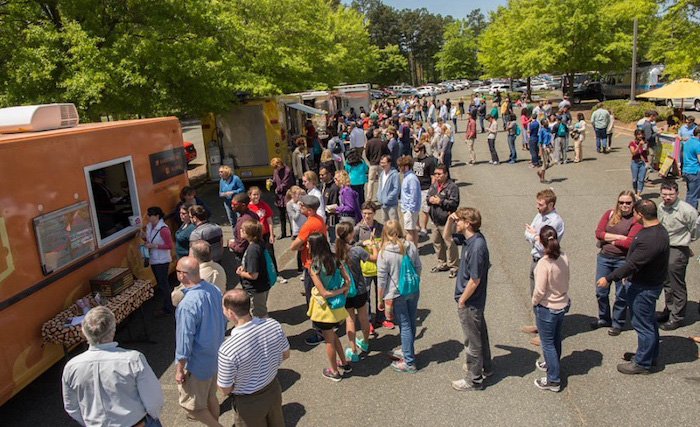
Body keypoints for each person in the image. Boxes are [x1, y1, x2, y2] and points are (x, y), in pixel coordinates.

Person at [597, 200, 669, 374]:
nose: (634, 217)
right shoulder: (657, 231)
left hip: (644, 287)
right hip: (643, 283)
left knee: (643, 324)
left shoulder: (651, 239)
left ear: (640, 215)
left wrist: (609, 277)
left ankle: (642, 363)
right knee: (648, 322)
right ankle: (648, 355)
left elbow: (633, 264)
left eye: (635, 213)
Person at [62, 307, 163, 427]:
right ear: (113, 330)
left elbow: (72, 407)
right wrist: (149, 419)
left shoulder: (71, 367)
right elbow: (153, 399)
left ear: (84, 332)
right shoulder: (132, 359)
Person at [217, 290, 289, 427]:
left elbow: (224, 388)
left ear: (230, 313)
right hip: (273, 389)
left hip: (248, 402)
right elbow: (285, 354)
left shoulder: (228, 349)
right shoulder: (273, 325)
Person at [444, 208, 493, 391]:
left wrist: (462, 300)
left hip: (471, 301)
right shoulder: (469, 239)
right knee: (480, 334)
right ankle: (486, 367)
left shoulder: (477, 246)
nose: (457, 222)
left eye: (459, 220)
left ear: (468, 223)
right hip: (472, 301)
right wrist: (450, 220)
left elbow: (475, 280)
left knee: (472, 341)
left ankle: (474, 379)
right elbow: (447, 237)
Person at [174, 257, 226, 425]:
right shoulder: (213, 290)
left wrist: (180, 369)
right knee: (211, 397)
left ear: (182, 275)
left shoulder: (187, 304)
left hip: (197, 363)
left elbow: (184, 340)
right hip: (215, 356)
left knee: (191, 406)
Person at [593, 191, 642, 335]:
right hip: (604, 258)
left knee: (621, 294)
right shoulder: (610, 214)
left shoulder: (636, 220)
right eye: (621, 202)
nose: (624, 205)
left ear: (633, 204)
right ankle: (604, 318)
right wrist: (620, 236)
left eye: (628, 203)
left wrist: (609, 239)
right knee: (601, 292)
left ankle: (617, 322)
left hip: (623, 261)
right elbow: (598, 233)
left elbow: (629, 243)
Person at [378, 219, 422, 373]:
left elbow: (382, 279)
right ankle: (407, 349)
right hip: (413, 289)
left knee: (404, 326)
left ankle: (409, 361)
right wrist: (414, 282)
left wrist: (381, 299)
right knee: (411, 322)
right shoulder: (410, 246)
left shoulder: (384, 253)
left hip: (397, 292)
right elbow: (418, 266)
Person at [306, 232, 352, 381]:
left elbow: (324, 293)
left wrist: (335, 292)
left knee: (328, 340)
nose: (306, 246)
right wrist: (342, 292)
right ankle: (344, 363)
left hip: (324, 309)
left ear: (313, 246)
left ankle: (334, 371)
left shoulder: (314, 266)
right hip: (337, 307)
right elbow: (348, 280)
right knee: (333, 335)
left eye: (308, 243)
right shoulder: (335, 259)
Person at [523, 189, 565, 343]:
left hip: (545, 262)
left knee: (544, 297)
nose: (537, 207)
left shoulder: (555, 221)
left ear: (551, 204)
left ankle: (545, 334)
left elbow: (543, 246)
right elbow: (527, 233)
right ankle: (537, 324)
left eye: (540, 204)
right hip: (534, 260)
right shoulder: (539, 215)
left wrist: (533, 236)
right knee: (534, 294)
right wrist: (534, 236)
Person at [532, 225, 570, 392]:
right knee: (556, 338)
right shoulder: (563, 256)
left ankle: (553, 379)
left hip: (547, 307)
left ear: (541, 242)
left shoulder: (543, 264)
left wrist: (534, 301)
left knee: (547, 343)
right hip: (562, 303)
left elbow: (540, 289)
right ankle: (552, 363)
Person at [656, 181, 698, 331]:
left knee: (676, 284)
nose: (667, 197)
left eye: (671, 194)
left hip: (677, 249)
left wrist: (686, 242)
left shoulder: (687, 210)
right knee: (666, 282)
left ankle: (677, 317)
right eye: (665, 194)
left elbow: (695, 229)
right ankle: (669, 309)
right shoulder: (660, 207)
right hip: (663, 249)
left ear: (677, 193)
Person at [289, 195, 328, 346]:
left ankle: (319, 333)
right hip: (321, 262)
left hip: (311, 265)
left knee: (313, 299)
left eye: (302, 206)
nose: (300, 207)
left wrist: (300, 246)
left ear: (309, 210)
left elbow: (293, 246)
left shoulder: (309, 224)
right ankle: (329, 324)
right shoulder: (319, 219)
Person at [336, 221, 377, 362]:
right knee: (363, 317)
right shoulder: (356, 252)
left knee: (350, 320)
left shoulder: (336, 252)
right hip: (360, 289)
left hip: (346, 291)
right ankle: (365, 342)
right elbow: (375, 259)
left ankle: (352, 350)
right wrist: (374, 246)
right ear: (350, 234)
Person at [354, 201, 386, 328]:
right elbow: (350, 245)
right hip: (365, 268)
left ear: (374, 213)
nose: (367, 216)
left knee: (381, 294)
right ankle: (367, 321)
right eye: (365, 213)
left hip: (380, 267)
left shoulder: (380, 227)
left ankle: (381, 318)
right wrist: (363, 243)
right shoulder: (357, 229)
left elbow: (387, 242)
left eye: (370, 213)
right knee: (365, 296)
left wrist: (381, 245)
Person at [427, 164, 460, 278]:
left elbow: (454, 203)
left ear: (446, 174)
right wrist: (430, 199)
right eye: (435, 174)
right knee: (437, 242)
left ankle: (454, 266)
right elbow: (428, 197)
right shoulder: (435, 185)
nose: (437, 176)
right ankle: (442, 263)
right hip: (435, 220)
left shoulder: (452, 187)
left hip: (447, 220)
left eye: (439, 174)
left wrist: (440, 201)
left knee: (450, 243)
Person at [140, 206, 174, 315]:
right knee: (161, 283)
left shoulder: (164, 229)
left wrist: (154, 246)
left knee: (164, 285)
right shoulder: (150, 226)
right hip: (154, 260)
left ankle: (169, 307)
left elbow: (169, 245)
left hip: (162, 261)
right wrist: (144, 238)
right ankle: (167, 305)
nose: (148, 217)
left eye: (150, 215)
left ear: (157, 216)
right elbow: (150, 239)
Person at [247, 186, 284, 283]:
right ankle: (262, 274)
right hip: (256, 235)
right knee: (258, 255)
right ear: (250, 196)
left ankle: (276, 273)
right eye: (254, 195)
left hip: (266, 234)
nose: (256, 197)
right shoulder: (248, 208)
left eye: (258, 194)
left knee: (270, 254)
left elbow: (269, 221)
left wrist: (272, 234)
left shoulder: (263, 205)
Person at [237, 220, 272, 317]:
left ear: (248, 233)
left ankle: (266, 331)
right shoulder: (259, 243)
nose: (240, 231)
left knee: (259, 315)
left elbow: (253, 275)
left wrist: (241, 273)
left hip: (256, 289)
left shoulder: (253, 250)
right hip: (262, 285)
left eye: (242, 230)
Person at [227, 193, 259, 276]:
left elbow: (242, 246)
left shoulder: (246, 220)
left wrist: (232, 245)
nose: (232, 206)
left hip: (245, 255)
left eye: (235, 204)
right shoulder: (250, 215)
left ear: (243, 205)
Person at [269, 157, 295, 239]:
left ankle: (293, 232)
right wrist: (271, 182)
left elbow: (286, 183)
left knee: (290, 215)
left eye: (277, 166)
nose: (276, 169)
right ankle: (283, 233)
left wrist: (278, 189)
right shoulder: (276, 171)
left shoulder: (287, 170)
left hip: (287, 195)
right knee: (281, 216)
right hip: (279, 197)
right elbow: (275, 180)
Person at [398, 155, 421, 243]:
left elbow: (414, 195)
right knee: (413, 229)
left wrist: (410, 209)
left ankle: (410, 249)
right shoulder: (407, 177)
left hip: (409, 209)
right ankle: (414, 248)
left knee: (408, 231)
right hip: (408, 208)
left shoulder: (411, 178)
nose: (399, 168)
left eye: (401, 166)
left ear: (406, 166)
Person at [285, 186, 306, 273]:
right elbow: (295, 218)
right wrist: (298, 209)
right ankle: (300, 267)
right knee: (300, 248)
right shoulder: (290, 204)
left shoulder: (301, 201)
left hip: (305, 226)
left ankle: (305, 264)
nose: (299, 196)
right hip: (298, 229)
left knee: (306, 247)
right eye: (298, 194)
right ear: (293, 195)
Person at [365, 128, 389, 202]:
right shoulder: (383, 142)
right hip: (381, 163)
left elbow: (366, 154)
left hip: (373, 163)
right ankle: (381, 196)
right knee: (381, 181)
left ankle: (369, 198)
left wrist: (370, 160)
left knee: (371, 181)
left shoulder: (369, 142)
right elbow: (387, 153)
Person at [319, 166, 340, 242]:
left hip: (330, 216)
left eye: (323, 175)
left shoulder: (334, 188)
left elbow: (334, 205)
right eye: (320, 175)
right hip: (322, 214)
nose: (321, 177)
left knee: (332, 238)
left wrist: (329, 222)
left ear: (329, 174)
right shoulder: (322, 185)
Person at [377, 154, 400, 222]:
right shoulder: (382, 174)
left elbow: (396, 189)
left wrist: (388, 198)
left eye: (384, 163)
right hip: (383, 204)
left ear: (389, 163)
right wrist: (379, 196)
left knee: (394, 223)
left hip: (392, 204)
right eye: (381, 163)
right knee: (385, 223)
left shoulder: (394, 174)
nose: (382, 165)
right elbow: (380, 187)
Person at [681, 127, 700, 209]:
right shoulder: (698, 144)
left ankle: (687, 210)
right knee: (694, 195)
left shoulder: (688, 142)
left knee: (690, 193)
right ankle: (691, 213)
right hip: (694, 171)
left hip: (686, 170)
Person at [629, 129, 649, 198]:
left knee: (641, 179)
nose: (640, 136)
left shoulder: (645, 142)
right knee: (635, 179)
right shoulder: (632, 143)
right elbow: (633, 153)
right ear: (636, 135)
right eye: (639, 134)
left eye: (641, 134)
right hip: (635, 162)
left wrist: (646, 148)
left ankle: (638, 193)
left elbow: (647, 152)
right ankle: (635, 191)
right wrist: (639, 146)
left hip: (643, 163)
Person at [537, 118, 553, 183]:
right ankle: (542, 178)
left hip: (549, 146)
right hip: (544, 147)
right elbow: (540, 141)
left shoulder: (549, 129)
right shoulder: (542, 130)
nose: (547, 123)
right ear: (543, 124)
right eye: (545, 122)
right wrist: (540, 150)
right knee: (545, 163)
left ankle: (540, 171)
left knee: (553, 161)